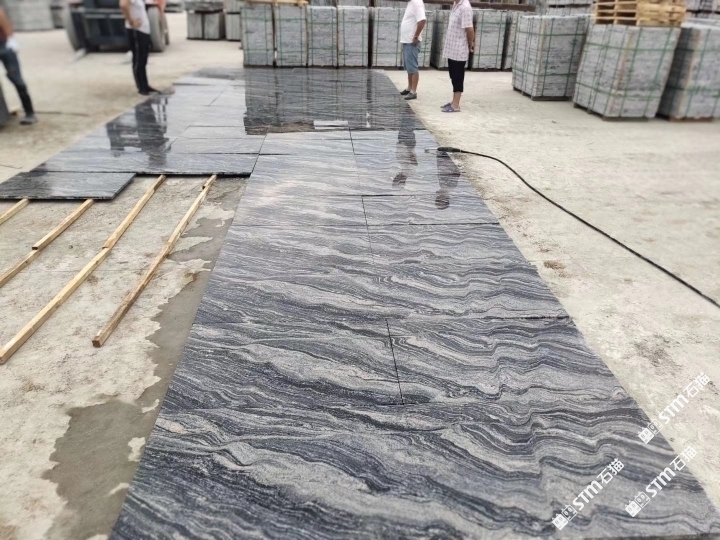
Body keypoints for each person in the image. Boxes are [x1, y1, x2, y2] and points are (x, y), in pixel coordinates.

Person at [0, 7, 36, 125]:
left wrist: (11, 38)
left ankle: (30, 112)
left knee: (15, 77)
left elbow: (2, 17)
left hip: (3, 45)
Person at [441, 0, 475, 113]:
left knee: (457, 77)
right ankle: (453, 101)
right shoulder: (456, 4)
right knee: (453, 75)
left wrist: (471, 42)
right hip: (452, 48)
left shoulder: (465, 7)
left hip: (459, 49)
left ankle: (456, 105)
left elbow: (469, 29)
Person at [121, 0, 158, 96]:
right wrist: (131, 21)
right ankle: (141, 87)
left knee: (143, 58)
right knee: (138, 59)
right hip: (136, 31)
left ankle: (145, 84)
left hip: (143, 30)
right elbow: (123, 5)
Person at [398, 0, 426, 101]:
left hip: (412, 42)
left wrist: (416, 36)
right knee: (409, 67)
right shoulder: (411, 2)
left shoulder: (416, 2)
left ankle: (413, 92)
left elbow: (422, 20)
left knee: (413, 67)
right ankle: (409, 88)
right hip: (407, 41)